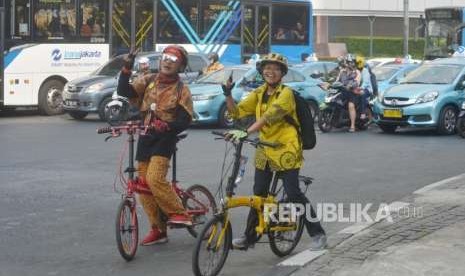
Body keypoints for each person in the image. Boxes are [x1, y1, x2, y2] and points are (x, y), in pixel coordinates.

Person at [222, 53, 327, 250]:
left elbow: (270, 116)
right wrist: (227, 94)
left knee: (293, 193)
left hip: (286, 148)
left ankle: (318, 233)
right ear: (262, 71)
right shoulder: (259, 92)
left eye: (276, 69)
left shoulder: (286, 94)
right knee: (259, 194)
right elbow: (237, 112)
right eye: (267, 68)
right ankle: (249, 237)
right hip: (265, 148)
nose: (271, 72)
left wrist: (246, 131)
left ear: (282, 74)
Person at [116, 45, 194, 246]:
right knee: (143, 186)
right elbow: (124, 90)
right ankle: (158, 230)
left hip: (165, 138)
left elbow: (184, 120)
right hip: (145, 136)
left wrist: (167, 126)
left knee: (154, 178)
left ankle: (179, 213)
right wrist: (127, 65)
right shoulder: (149, 80)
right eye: (165, 57)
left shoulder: (182, 90)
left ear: (180, 66)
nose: (167, 62)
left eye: (173, 59)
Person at [335, 54, 362, 132]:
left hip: (352, 92)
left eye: (352, 62)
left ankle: (352, 125)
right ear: (346, 62)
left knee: (350, 105)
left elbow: (357, 82)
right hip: (342, 92)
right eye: (349, 62)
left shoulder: (357, 72)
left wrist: (350, 85)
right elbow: (337, 80)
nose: (351, 64)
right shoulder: (342, 71)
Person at [356, 56, 373, 120]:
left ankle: (362, 113)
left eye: (357, 63)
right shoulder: (356, 71)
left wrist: (361, 88)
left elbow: (365, 82)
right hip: (357, 88)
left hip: (367, 89)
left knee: (362, 94)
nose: (356, 64)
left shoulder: (365, 71)